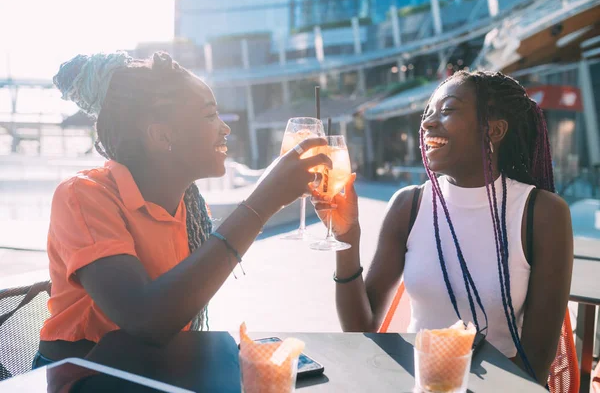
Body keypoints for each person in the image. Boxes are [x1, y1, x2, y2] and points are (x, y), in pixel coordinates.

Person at [34, 51, 331, 367]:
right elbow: (147, 319)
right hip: (84, 376)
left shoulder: (190, 206)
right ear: (162, 135)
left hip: (159, 369)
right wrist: (262, 203)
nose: (224, 129)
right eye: (209, 115)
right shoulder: (83, 196)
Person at [315, 70, 573, 384]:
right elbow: (360, 327)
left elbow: (535, 364)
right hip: (417, 382)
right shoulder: (408, 205)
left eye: (447, 110)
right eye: (427, 114)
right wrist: (346, 238)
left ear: (494, 130)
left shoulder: (542, 213)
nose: (427, 123)